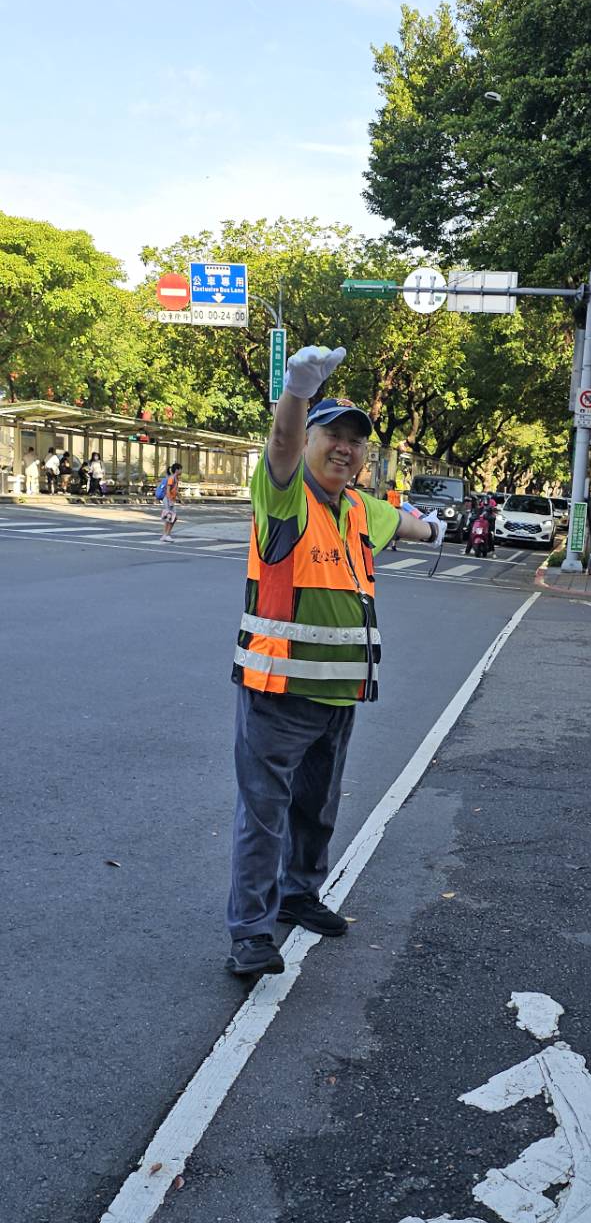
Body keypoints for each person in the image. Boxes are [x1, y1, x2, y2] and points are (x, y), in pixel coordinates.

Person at [226, 344, 447, 978]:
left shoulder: (356, 508)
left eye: (356, 441)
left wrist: (433, 529)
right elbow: (281, 448)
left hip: (338, 696)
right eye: (334, 436)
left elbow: (402, 524)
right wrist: (296, 394)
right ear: (311, 441)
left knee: (317, 810)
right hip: (277, 692)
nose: (346, 448)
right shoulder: (285, 496)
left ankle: (299, 895)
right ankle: (250, 934)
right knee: (263, 817)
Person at [156, 461, 182, 540]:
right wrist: (170, 500)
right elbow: (167, 490)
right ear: (177, 470)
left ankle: (165, 535)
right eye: (180, 469)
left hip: (170, 499)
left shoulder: (175, 478)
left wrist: (180, 498)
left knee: (171, 517)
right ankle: (166, 535)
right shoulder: (171, 478)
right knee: (171, 517)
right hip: (167, 499)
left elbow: (174, 490)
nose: (181, 471)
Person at [386, 483, 401, 550]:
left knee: (387, 527)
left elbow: (386, 503)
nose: (387, 486)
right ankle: (394, 545)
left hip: (390, 510)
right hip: (397, 511)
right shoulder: (397, 494)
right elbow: (399, 502)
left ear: (391, 486)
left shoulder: (389, 493)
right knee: (396, 528)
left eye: (388, 485)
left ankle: (385, 543)